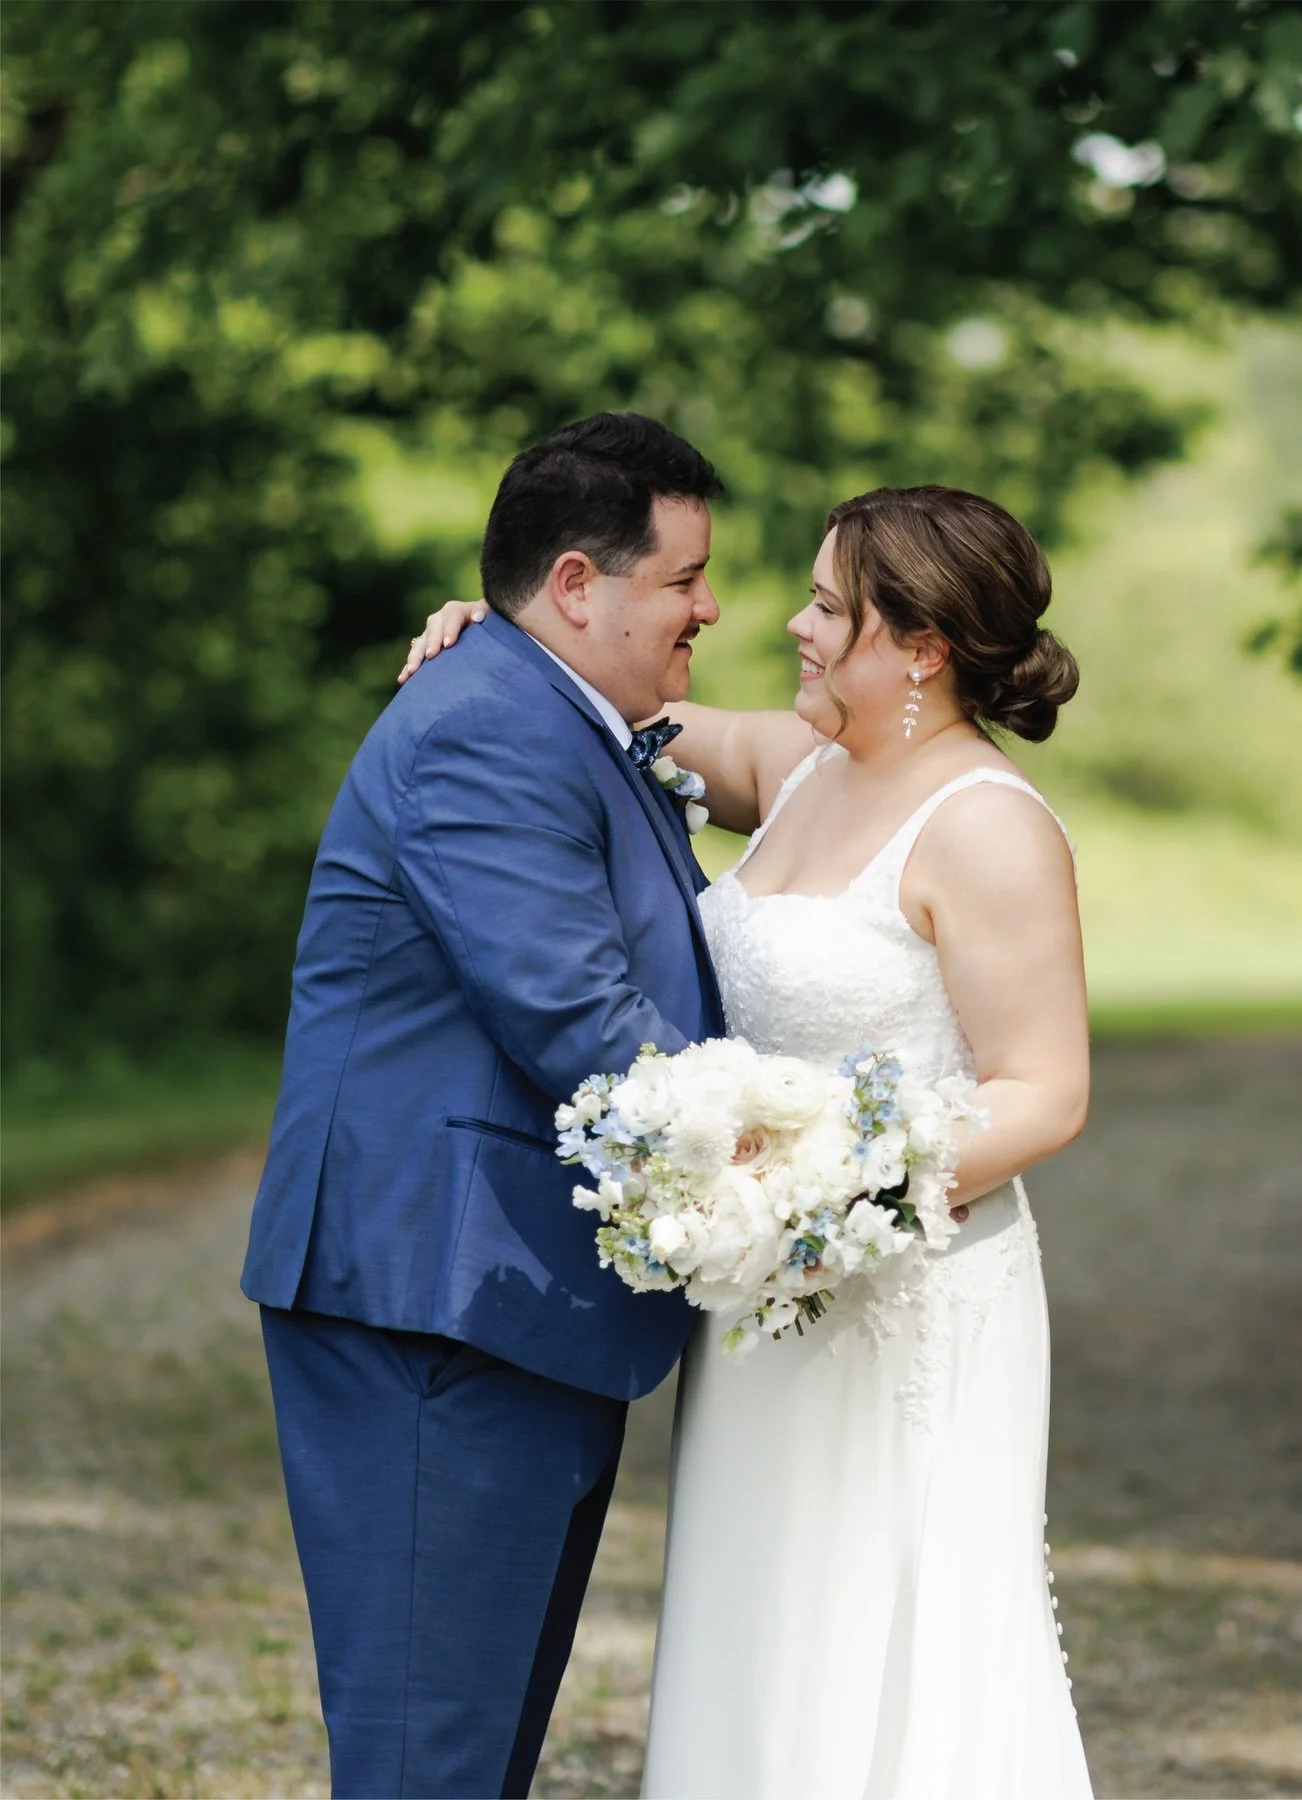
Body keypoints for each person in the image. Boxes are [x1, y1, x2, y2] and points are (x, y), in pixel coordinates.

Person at [405, 482, 1094, 1795]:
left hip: (901, 1293)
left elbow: (1043, 1092)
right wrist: (497, 643)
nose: (794, 622)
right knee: (758, 1625)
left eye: (831, 606)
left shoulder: (988, 828)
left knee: (890, 1636)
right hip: (759, 1289)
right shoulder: (801, 765)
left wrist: (832, 1199)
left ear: (924, 644)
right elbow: (600, 709)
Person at [241, 412, 727, 1799]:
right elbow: (578, 1019)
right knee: (426, 1765)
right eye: (686, 577)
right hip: (436, 1300)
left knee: (476, 1760)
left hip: (518, 1300)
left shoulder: (559, 710)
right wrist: (793, 1176)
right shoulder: (489, 728)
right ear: (578, 585)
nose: (711, 605)